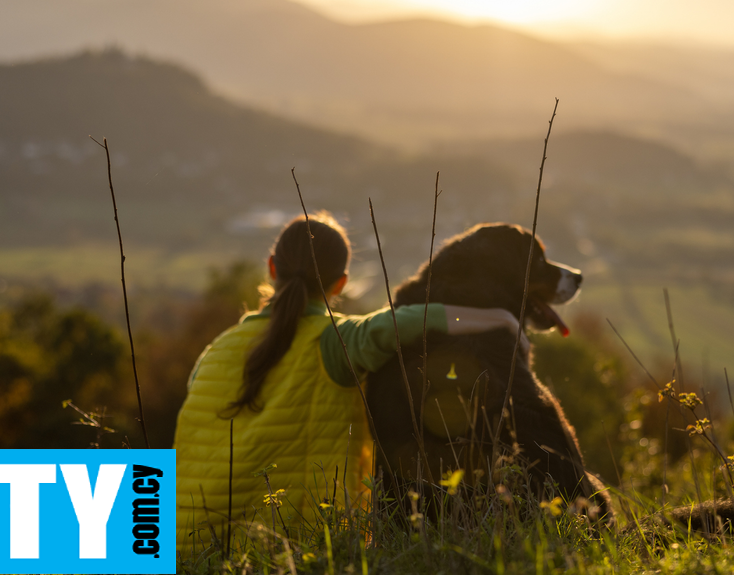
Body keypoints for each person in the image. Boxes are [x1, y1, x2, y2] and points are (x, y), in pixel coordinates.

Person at [173, 212, 522, 552]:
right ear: (340, 282)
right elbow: (410, 320)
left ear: (271, 267)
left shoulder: (216, 350)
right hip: (286, 552)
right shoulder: (335, 342)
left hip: (179, 548)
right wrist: (502, 320)